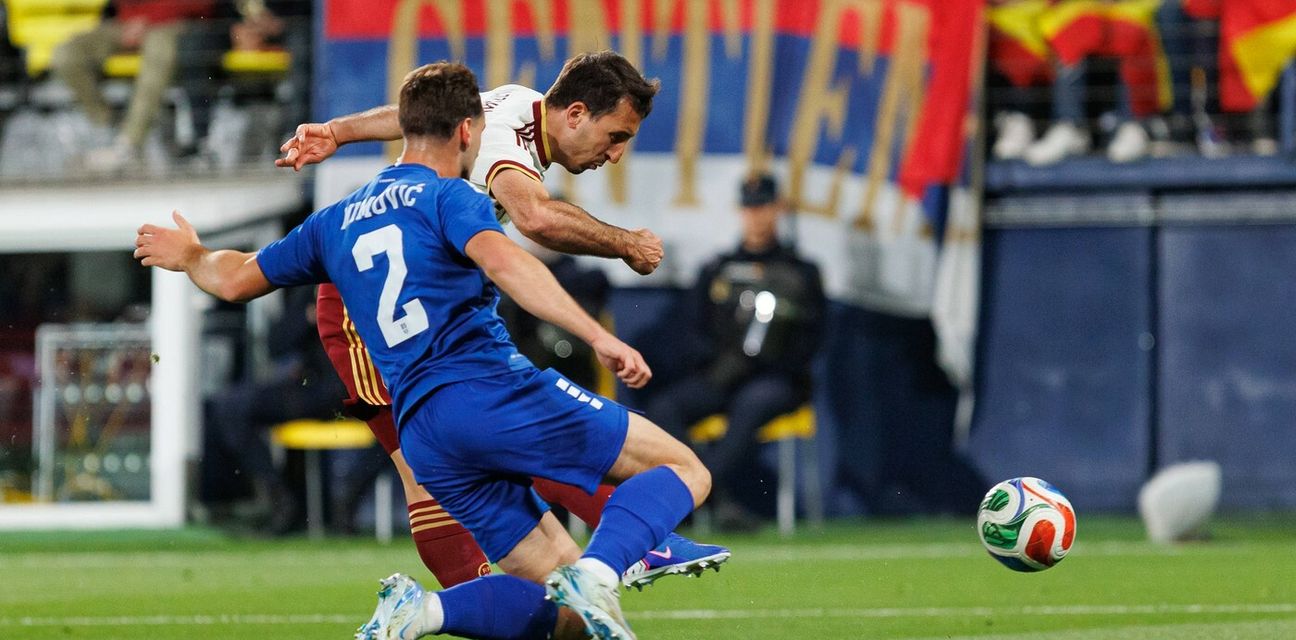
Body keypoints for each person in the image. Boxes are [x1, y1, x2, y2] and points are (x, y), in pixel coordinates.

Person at [136, 61, 712, 640]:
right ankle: (617, 552)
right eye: (617, 137)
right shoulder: (454, 195)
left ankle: (430, 610)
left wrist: (193, 255)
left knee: (567, 614)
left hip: (425, 413)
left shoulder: (335, 217)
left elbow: (236, 279)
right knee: (678, 467)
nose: (616, 154)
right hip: (440, 361)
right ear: (468, 131)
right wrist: (604, 317)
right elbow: (526, 236)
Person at [284, 51, 726, 591]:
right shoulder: (508, 149)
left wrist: (337, 131)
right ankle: (450, 605)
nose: (615, 155)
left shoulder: (517, 102)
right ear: (576, 114)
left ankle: (624, 547)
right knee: (425, 470)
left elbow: (417, 115)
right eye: (615, 137)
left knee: (503, 432)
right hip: (372, 312)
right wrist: (625, 243)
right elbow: (535, 217)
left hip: (428, 303)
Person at [647, 173, 825, 531]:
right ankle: (718, 501)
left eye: (764, 207)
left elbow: (813, 339)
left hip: (774, 379)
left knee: (751, 404)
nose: (756, 216)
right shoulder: (719, 270)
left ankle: (693, 495)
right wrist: (718, 363)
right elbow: (693, 331)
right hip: (722, 374)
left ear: (778, 209)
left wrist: (766, 364)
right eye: (750, 208)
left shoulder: (801, 272)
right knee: (665, 408)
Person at [50, 0, 216, 171]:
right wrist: (132, 23)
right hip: (126, 24)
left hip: (173, 23)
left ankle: (129, 144)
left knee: (158, 52)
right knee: (67, 55)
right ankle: (113, 127)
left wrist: (149, 19)